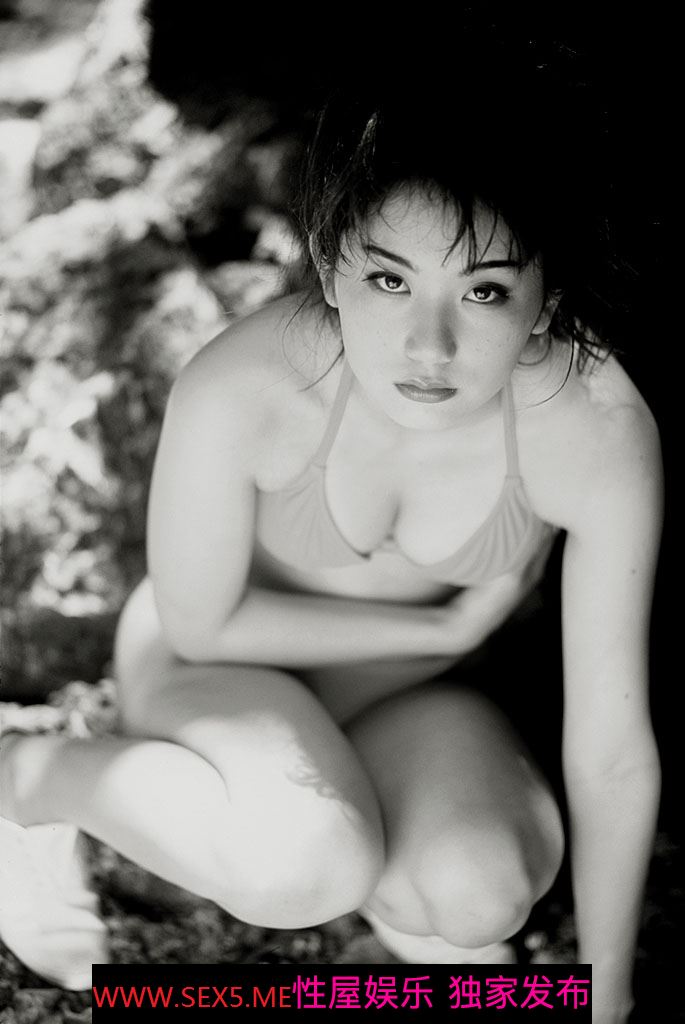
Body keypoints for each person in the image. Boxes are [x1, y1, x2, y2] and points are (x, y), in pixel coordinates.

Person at [0, 55, 663, 1023]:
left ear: (547, 298)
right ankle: (26, 780)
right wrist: (437, 631)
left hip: (401, 703)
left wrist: (605, 997)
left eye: (483, 292)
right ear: (329, 261)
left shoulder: (592, 428)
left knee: (477, 895)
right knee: (302, 866)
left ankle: (377, 867)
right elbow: (201, 621)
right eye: (389, 279)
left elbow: (611, 745)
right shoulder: (250, 381)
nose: (427, 346)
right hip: (213, 670)